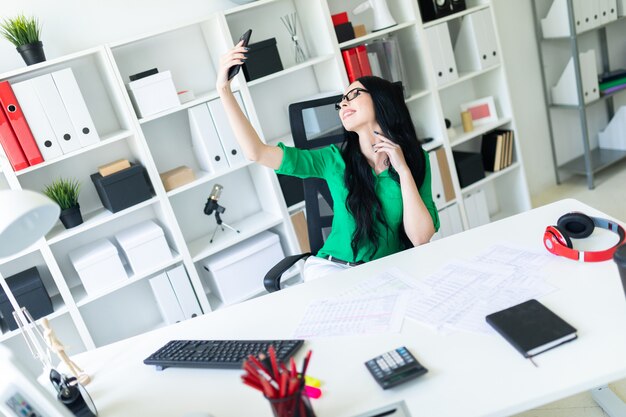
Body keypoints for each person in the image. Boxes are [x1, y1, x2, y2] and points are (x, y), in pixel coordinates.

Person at [216, 42, 439, 281]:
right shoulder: (331, 160)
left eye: (353, 95)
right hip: (334, 270)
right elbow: (256, 152)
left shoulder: (415, 160)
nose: (343, 104)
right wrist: (224, 90)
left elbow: (420, 238)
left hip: (385, 272)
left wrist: (403, 170)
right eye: (341, 102)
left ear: (382, 100)